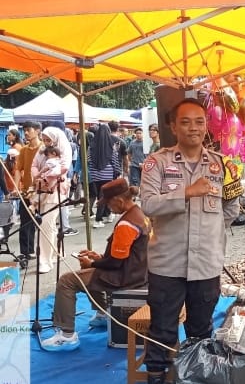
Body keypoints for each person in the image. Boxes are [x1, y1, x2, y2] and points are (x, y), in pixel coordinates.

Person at [140, 98, 242, 384]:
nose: (193, 128)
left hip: (206, 263)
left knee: (201, 330)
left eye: (199, 121)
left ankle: (195, 377)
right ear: (173, 127)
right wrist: (186, 192)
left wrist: (211, 231)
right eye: (185, 122)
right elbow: (148, 204)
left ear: (207, 125)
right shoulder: (156, 163)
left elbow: (231, 208)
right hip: (167, 264)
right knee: (162, 329)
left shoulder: (223, 165)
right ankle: (157, 377)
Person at [40, 178, 149, 351]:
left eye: (109, 204)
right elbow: (124, 255)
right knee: (89, 271)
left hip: (125, 276)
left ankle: (67, 335)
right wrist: (98, 257)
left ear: (119, 201)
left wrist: (93, 262)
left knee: (67, 281)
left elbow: (115, 263)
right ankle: (103, 313)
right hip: (136, 272)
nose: (108, 208)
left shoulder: (127, 224)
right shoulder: (139, 215)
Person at [31, 127, 72, 274]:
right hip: (40, 189)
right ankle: (56, 252)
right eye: (44, 139)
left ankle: (45, 261)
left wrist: (45, 178)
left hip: (55, 191)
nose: (46, 142)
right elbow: (34, 165)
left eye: (48, 139)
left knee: (46, 225)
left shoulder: (63, 149)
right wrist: (37, 176)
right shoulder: (42, 149)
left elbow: (63, 168)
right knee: (48, 225)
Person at [12, 121, 43, 262]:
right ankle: (26, 252)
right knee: (25, 222)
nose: (25, 133)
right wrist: (16, 187)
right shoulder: (24, 150)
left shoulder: (43, 149)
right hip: (26, 191)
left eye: (28, 130)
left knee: (41, 222)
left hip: (41, 192)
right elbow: (19, 169)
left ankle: (43, 253)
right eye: (24, 130)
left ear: (37, 131)